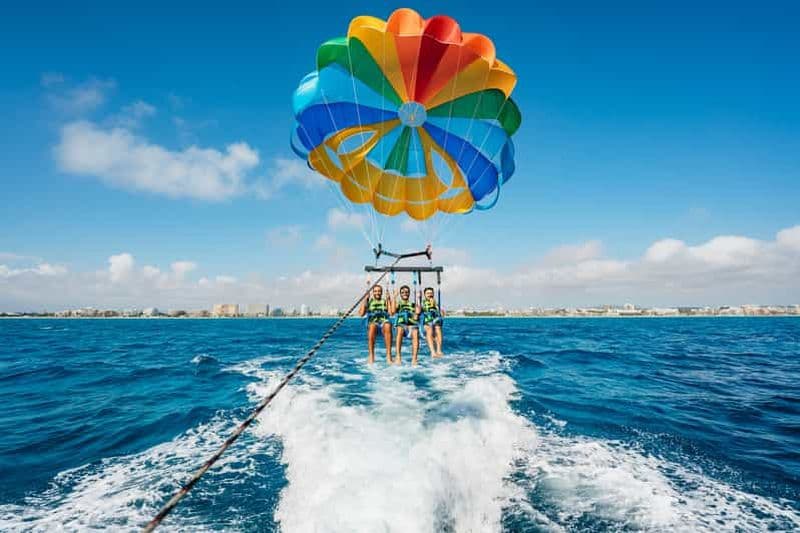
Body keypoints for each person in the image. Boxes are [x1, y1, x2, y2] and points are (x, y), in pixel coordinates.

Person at [359, 283, 393, 364]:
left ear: (381, 292)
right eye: (375, 291)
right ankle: (371, 356)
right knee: (372, 325)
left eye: (379, 291)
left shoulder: (385, 301)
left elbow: (391, 313)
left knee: (388, 325)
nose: (377, 293)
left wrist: (389, 299)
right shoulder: (369, 302)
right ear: (373, 293)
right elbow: (361, 314)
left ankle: (389, 356)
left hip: (383, 324)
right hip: (373, 324)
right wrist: (365, 299)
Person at [392, 285, 420, 365]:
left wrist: (418, 299)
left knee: (415, 332)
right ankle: (398, 356)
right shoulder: (399, 304)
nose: (405, 293)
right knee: (400, 330)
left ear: (409, 293)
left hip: (411, 325)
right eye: (403, 292)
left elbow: (416, 317)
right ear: (400, 294)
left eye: (407, 292)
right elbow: (393, 311)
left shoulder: (413, 304)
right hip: (401, 325)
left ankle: (414, 359)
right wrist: (394, 297)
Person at [418, 286, 444, 358]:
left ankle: (439, 350)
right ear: (424, 295)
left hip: (436, 320)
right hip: (427, 320)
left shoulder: (436, 303)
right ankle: (433, 352)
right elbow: (418, 310)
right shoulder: (422, 302)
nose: (430, 294)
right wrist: (418, 298)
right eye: (428, 293)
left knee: (438, 329)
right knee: (429, 330)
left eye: (431, 293)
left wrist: (436, 306)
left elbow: (442, 314)